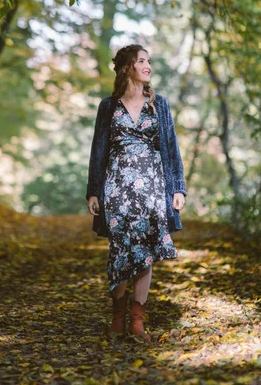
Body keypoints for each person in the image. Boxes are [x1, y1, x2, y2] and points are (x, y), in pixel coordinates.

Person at [86, 44, 187, 341]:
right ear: (126, 67)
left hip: (153, 187)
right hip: (116, 187)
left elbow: (171, 148)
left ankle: (137, 319)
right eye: (141, 61)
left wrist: (177, 187)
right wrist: (94, 191)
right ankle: (117, 314)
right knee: (119, 250)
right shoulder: (108, 106)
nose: (148, 66)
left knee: (145, 254)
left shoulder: (160, 104)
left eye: (149, 61)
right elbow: (98, 151)